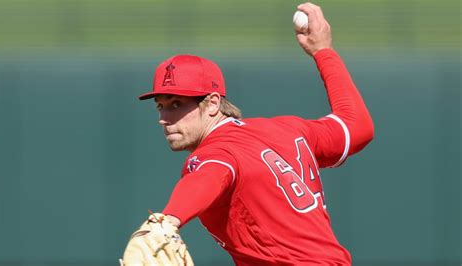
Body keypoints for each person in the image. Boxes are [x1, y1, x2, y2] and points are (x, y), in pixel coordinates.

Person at [136, 2, 373, 265]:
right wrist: (324, 52)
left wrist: (169, 219)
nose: (164, 118)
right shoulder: (289, 130)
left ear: (213, 103)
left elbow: (208, 176)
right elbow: (356, 126)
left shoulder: (216, 152)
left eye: (177, 104)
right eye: (161, 106)